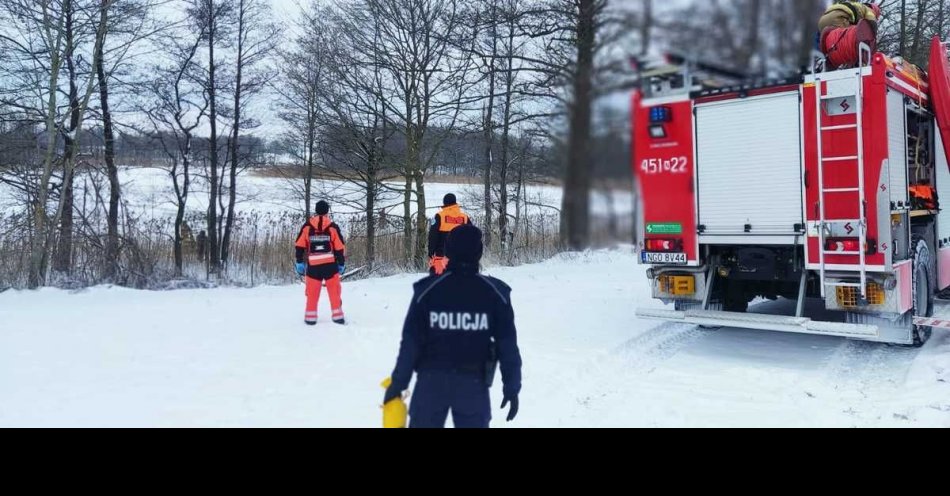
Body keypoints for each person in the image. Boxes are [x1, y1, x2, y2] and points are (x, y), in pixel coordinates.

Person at [385, 224, 522, 428]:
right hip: (472, 387)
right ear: (479, 252)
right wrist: (511, 386)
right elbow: (508, 346)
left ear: (447, 251)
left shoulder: (427, 290)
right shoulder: (496, 294)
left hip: (431, 384)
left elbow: (411, 344)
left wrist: (398, 383)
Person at [294, 201, 347, 325]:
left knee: (312, 293)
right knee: (334, 292)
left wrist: (299, 262)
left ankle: (310, 318)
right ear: (327, 211)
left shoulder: (307, 227)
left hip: (313, 267)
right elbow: (339, 247)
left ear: (316, 211)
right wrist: (341, 263)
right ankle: (338, 317)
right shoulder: (333, 227)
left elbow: (299, 245)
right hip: (330, 266)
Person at [428, 193, 471, 275]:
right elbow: (472, 236)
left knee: (438, 280)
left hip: (441, 255)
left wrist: (431, 250)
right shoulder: (464, 217)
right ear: (455, 202)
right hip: (460, 256)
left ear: (444, 203)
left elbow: (433, 235)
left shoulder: (440, 216)